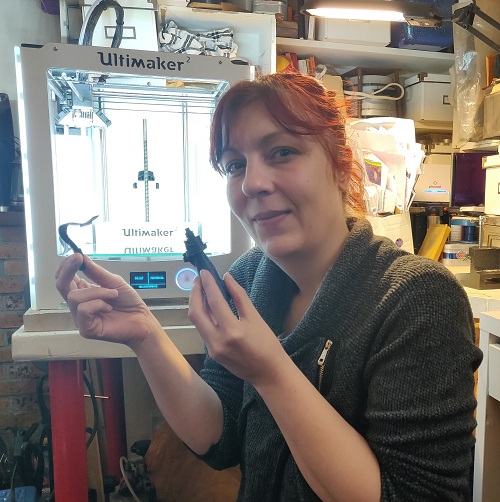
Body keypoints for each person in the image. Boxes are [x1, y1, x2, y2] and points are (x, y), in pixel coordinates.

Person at [55, 72, 482, 502]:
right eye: (235, 165)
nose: (251, 183)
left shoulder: (417, 299)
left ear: (340, 166)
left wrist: (270, 371)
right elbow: (219, 438)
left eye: (282, 152)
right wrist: (145, 335)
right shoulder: (249, 277)